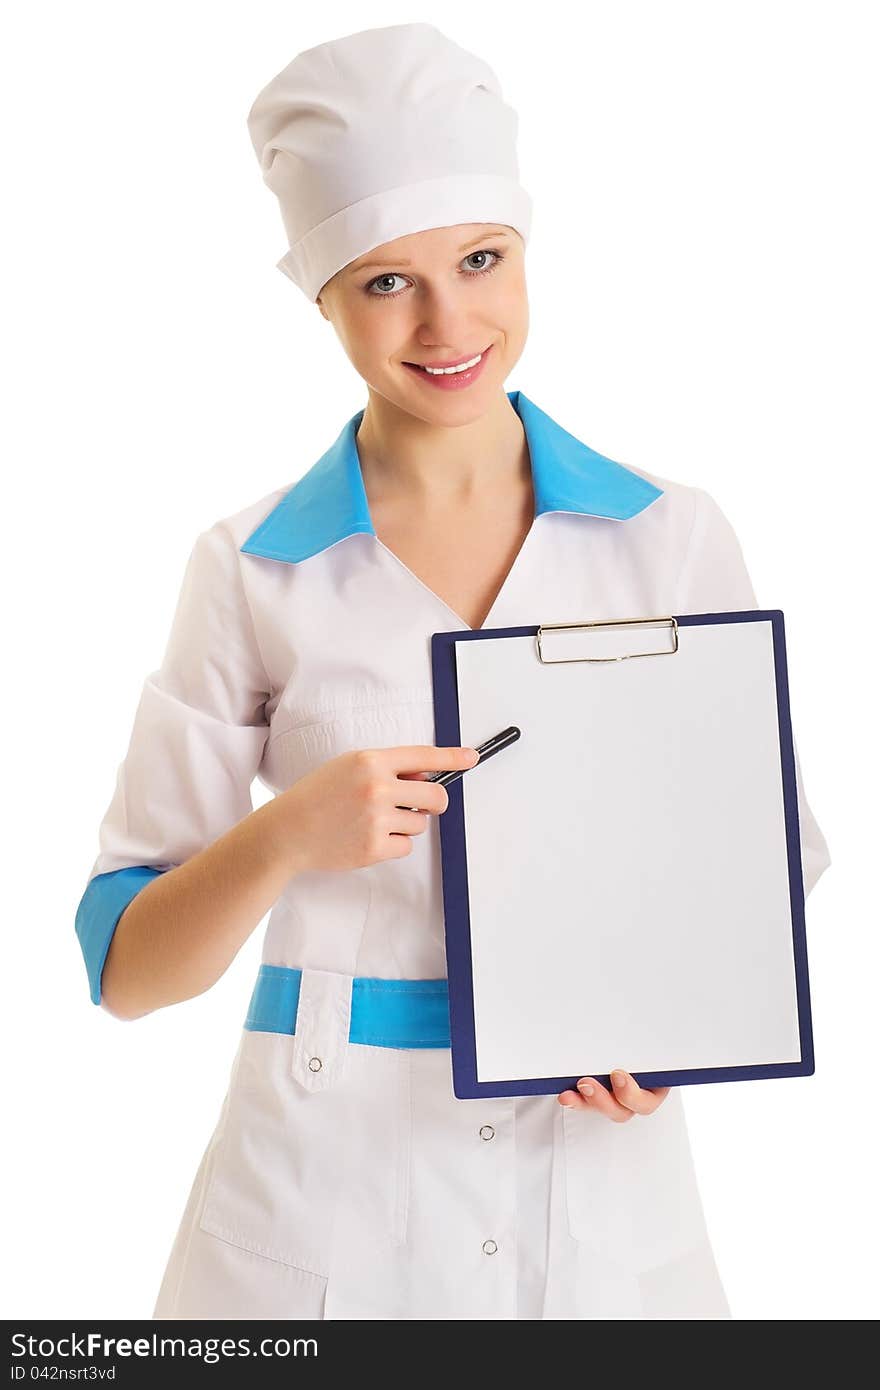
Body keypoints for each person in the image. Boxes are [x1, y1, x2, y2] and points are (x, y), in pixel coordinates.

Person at [74, 22, 831, 1321]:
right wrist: (286, 837)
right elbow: (127, 966)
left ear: (526, 250)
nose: (447, 323)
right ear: (320, 294)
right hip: (317, 1195)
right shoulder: (252, 566)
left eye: (481, 260)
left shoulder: (670, 536)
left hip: (601, 1205)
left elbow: (755, 885)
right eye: (385, 283)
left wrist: (671, 1039)